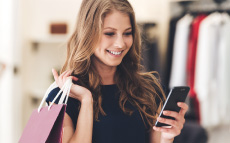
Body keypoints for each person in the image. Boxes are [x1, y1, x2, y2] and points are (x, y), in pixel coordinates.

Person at [46, 0, 188, 143]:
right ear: (88, 34)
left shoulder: (149, 90)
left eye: (127, 33)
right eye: (109, 33)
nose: (120, 43)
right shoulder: (61, 97)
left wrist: (167, 137)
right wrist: (86, 100)